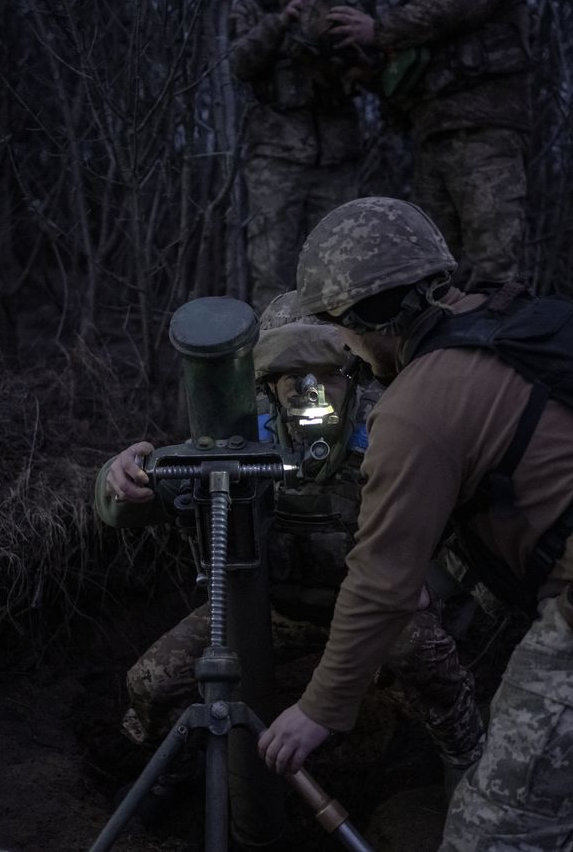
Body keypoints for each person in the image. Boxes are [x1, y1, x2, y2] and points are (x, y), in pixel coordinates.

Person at [257, 197, 573, 851]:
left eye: (340, 328)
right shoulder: (513, 321)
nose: (347, 350)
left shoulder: (416, 407)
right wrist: (432, 584)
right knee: (541, 740)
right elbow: (528, 490)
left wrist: (320, 708)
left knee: (492, 830)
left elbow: (379, 580)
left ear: (367, 316)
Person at [94, 291, 486, 816]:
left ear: (351, 367)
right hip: (269, 609)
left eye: (323, 369)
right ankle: (180, 769)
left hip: (374, 607)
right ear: (264, 379)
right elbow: (144, 500)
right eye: (288, 372)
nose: (308, 388)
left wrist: (427, 581)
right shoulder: (244, 428)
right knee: (154, 680)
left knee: (420, 653)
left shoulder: (394, 422)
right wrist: (120, 480)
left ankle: (465, 757)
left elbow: (471, 519)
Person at [326, 0, 532, 290]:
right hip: (431, 131)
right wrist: (374, 68)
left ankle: (500, 331)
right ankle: (446, 332)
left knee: (494, 266)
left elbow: (451, 9)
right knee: (433, 266)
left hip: (483, 128)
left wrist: (379, 29)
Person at [230, 0, 368, 313]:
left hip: (338, 157)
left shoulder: (342, 5)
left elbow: (374, 65)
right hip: (276, 157)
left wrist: (351, 47)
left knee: (341, 266)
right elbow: (238, 62)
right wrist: (280, 21)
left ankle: (340, 356)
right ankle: (276, 356)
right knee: (272, 269)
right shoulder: (253, 6)